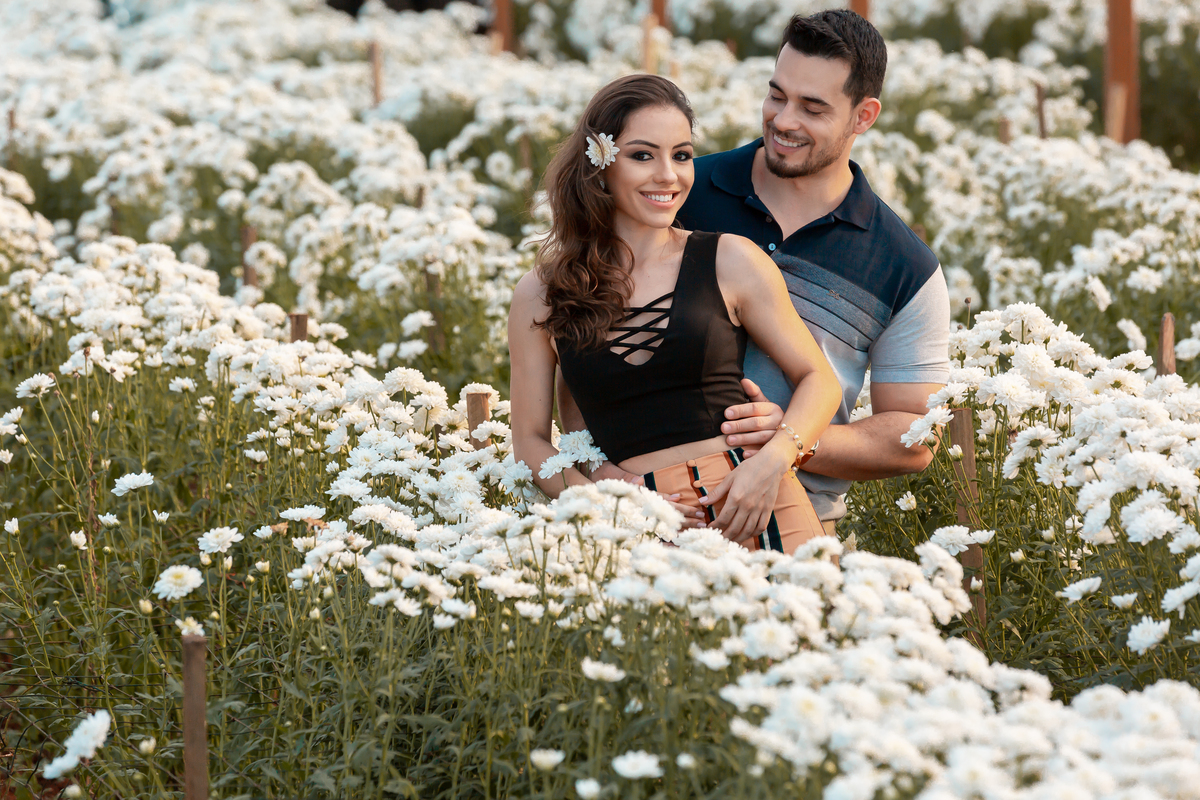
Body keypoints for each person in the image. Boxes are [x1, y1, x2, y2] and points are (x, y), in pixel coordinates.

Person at [563, 10, 950, 538]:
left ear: (864, 116)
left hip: (800, 515)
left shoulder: (903, 263)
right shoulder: (675, 194)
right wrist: (602, 481)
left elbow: (914, 435)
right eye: (776, 95)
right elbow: (576, 338)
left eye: (813, 108)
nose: (784, 120)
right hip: (649, 513)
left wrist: (788, 443)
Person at [509, 74, 841, 552]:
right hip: (633, 529)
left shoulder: (732, 259)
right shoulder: (541, 293)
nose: (669, 174)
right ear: (600, 165)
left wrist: (772, 464)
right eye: (643, 155)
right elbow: (532, 443)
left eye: (681, 155)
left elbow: (819, 379)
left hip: (752, 500)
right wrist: (608, 507)